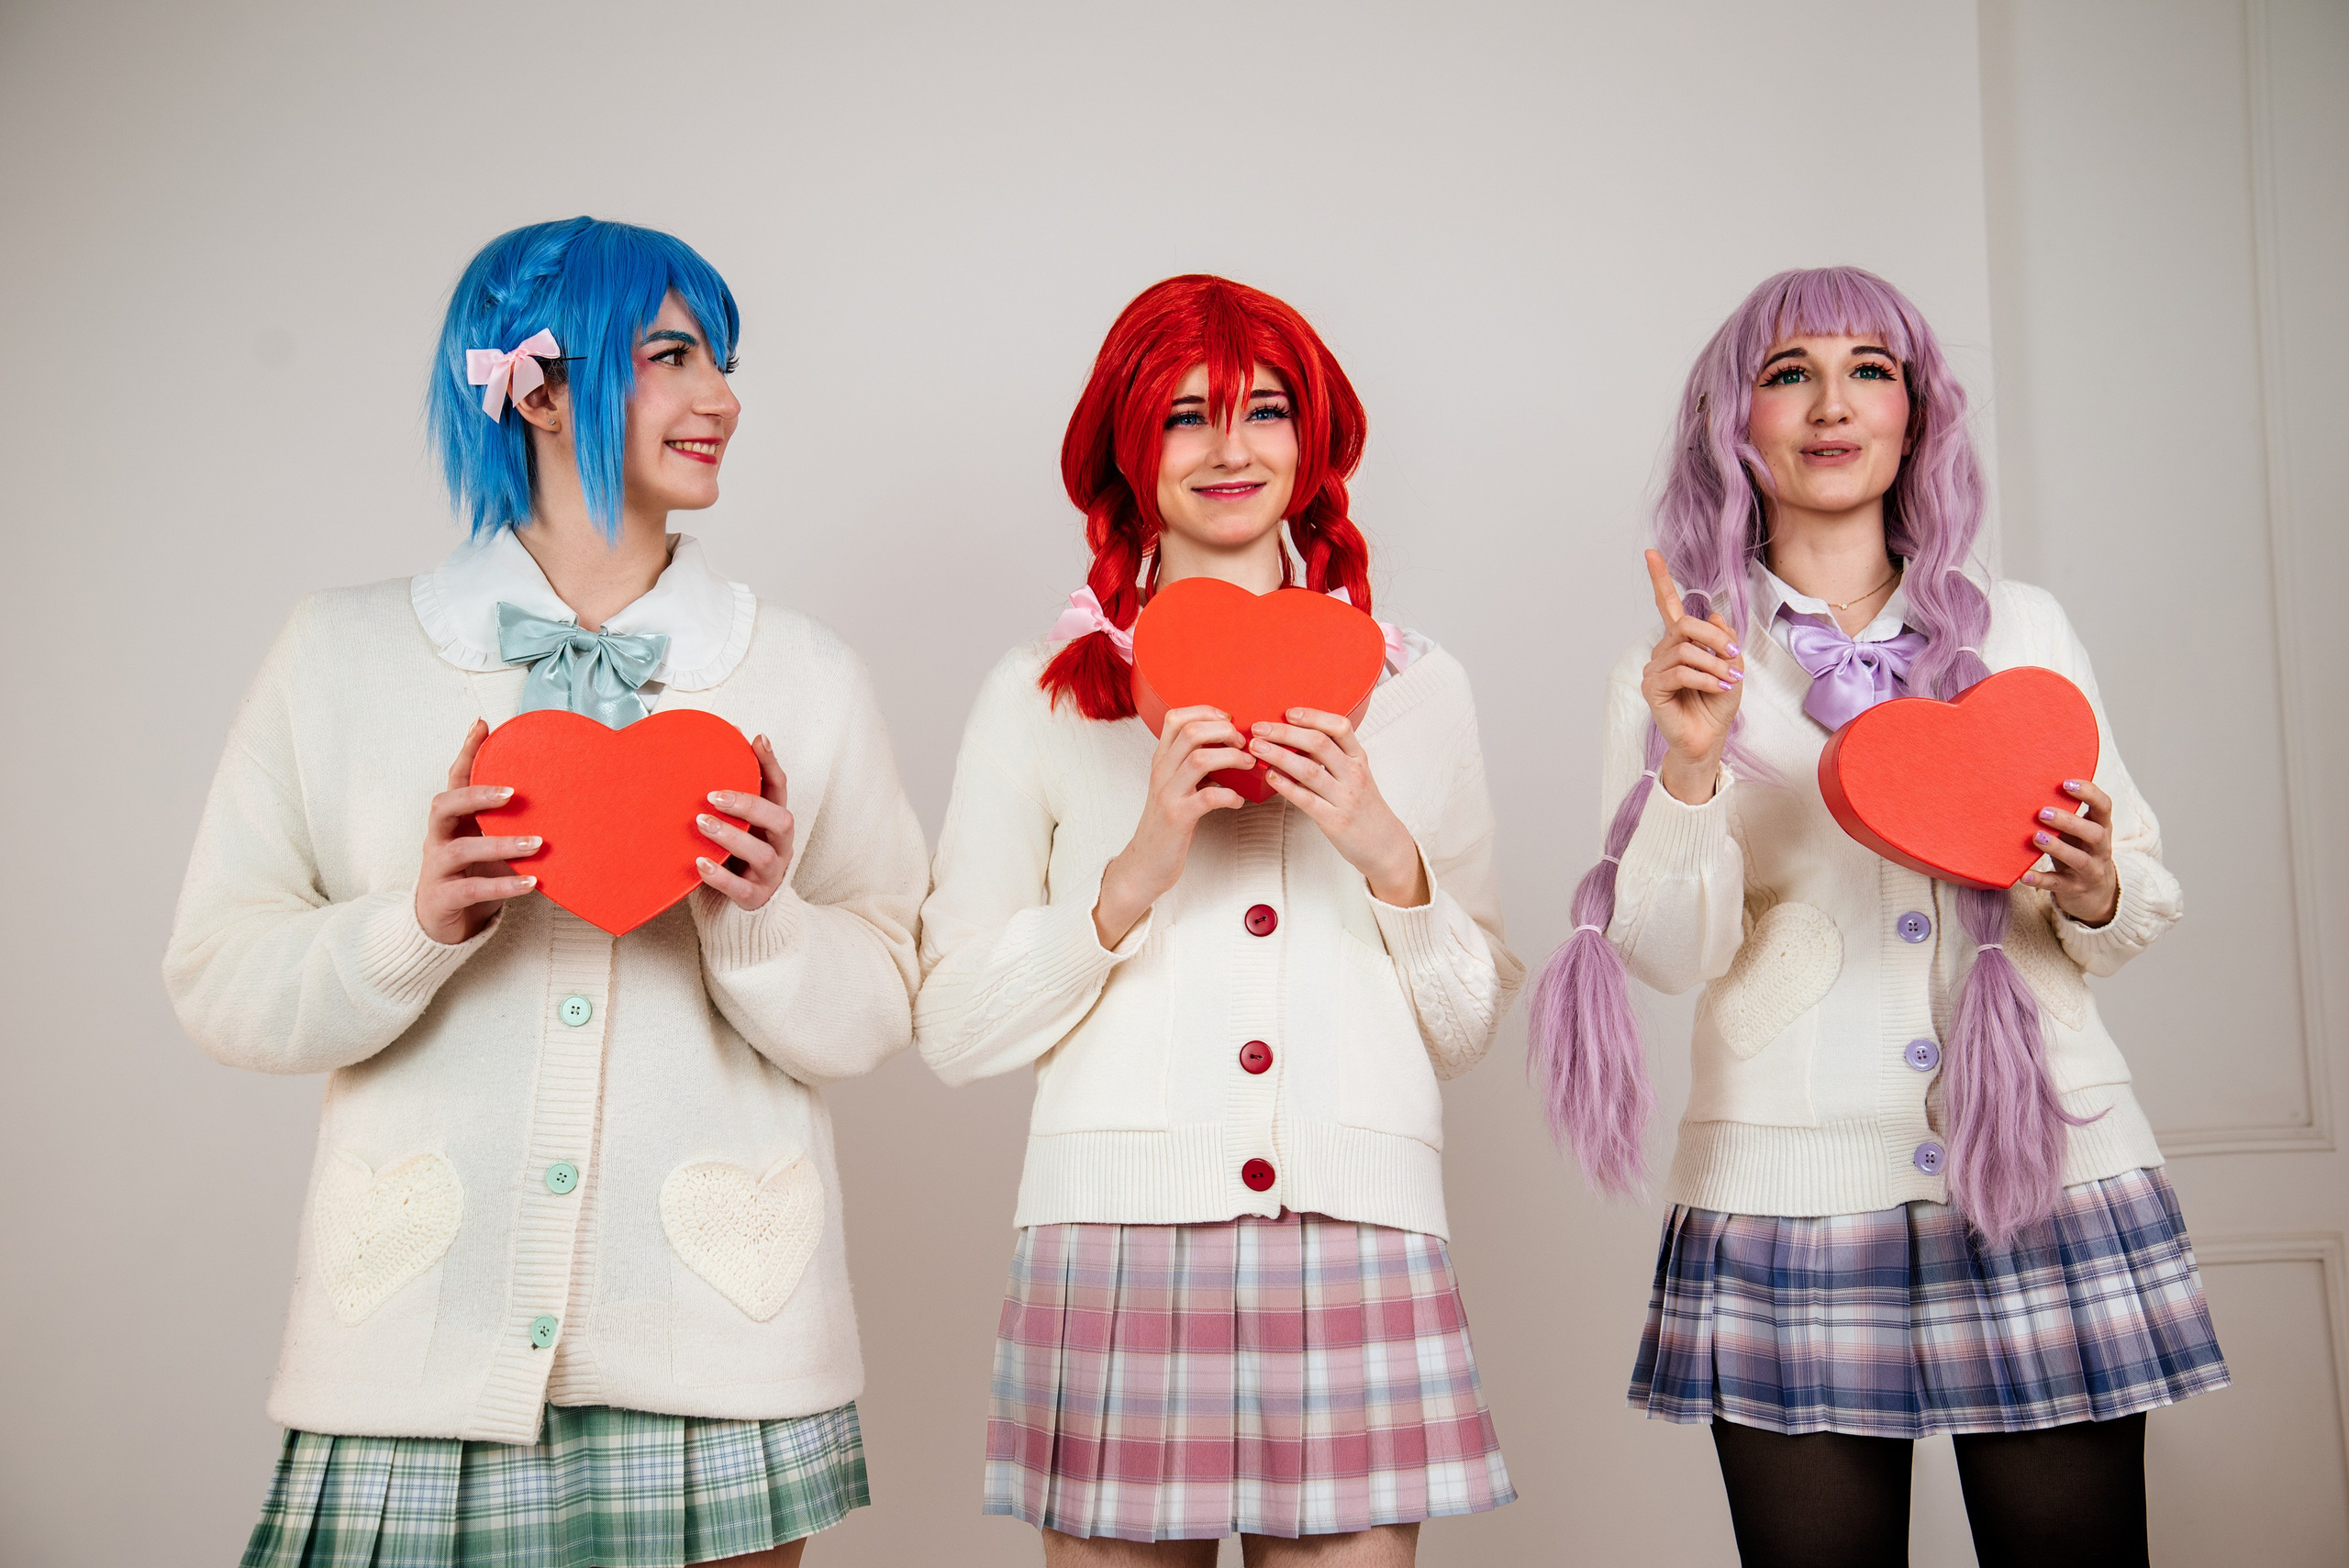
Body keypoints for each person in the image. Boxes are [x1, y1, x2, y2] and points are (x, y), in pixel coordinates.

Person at [163, 217, 929, 1568]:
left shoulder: (804, 674)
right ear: (538, 382)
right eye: (674, 354)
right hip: (414, 1345)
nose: (725, 400)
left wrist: (758, 918)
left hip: (717, 1350)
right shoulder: (339, 656)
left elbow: (883, 1000)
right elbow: (219, 975)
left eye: (725, 361)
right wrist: (417, 927)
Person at [1531, 266, 2228, 1566]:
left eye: (1872, 369)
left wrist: (2091, 886)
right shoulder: (1678, 660)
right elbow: (1669, 955)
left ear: (1918, 414)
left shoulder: (2022, 629)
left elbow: (2142, 894)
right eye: (1789, 371)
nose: (1833, 402)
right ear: (1734, 422)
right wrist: (1686, 767)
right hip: (1793, 1193)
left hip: (2042, 1174)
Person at [914, 275, 1520, 1566]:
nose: (1233, 450)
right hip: (1117, 1240)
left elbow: (1467, 1022)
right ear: (1131, 447)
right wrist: (1135, 870)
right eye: (1187, 415)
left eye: (1267, 412)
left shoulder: (1418, 690)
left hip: (1360, 1234)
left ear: (1316, 443)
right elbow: (954, 1026)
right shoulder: (1041, 698)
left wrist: (1381, 845)